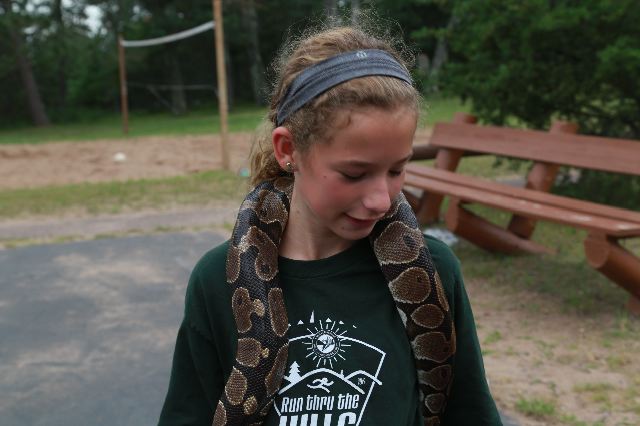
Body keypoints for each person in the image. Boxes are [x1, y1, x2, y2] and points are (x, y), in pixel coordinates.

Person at [159, 24, 501, 426]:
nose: (382, 200)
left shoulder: (435, 268)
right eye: (355, 174)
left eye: (397, 170)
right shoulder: (216, 280)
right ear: (288, 149)